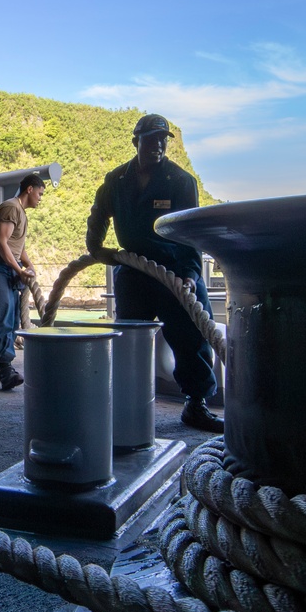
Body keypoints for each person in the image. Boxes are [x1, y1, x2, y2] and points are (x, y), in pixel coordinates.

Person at [86, 113, 223, 433]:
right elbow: (98, 216)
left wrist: (190, 273)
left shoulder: (181, 181)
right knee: (129, 339)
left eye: (163, 139)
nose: (158, 145)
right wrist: (97, 249)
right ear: (136, 142)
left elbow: (191, 233)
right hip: (134, 271)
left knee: (190, 337)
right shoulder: (116, 181)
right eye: (150, 139)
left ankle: (196, 404)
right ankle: (125, 402)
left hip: (175, 270)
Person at [0, 173, 45, 390]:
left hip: (7, 269)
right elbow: (1, 242)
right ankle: (5, 370)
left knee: (12, 321)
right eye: (40, 193)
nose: (41, 198)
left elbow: (17, 245)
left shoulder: (20, 213)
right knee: (2, 317)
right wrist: (19, 270)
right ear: (30, 189)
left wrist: (28, 265)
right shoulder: (11, 208)